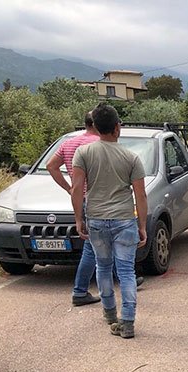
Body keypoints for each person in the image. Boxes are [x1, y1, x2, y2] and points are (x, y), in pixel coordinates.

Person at [47, 111, 143, 306]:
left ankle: (99, 293)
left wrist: (70, 189)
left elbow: (51, 166)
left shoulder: (69, 143)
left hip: (86, 202)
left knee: (98, 250)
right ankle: (81, 289)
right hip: (106, 204)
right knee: (97, 251)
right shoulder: (98, 145)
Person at [72, 103, 147, 339]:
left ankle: (109, 314)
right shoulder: (131, 157)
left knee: (102, 267)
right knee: (126, 271)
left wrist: (78, 219)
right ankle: (128, 322)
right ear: (117, 127)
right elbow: (140, 195)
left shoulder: (83, 153)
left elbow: (76, 189)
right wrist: (142, 225)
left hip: (96, 217)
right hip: (124, 220)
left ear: (94, 127)